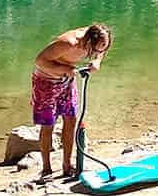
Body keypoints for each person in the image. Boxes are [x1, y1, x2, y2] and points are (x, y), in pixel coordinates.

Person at [32, 23, 112, 179]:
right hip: (46, 81)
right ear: (89, 41)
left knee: (71, 119)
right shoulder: (68, 43)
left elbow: (102, 49)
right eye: (97, 49)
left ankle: (67, 165)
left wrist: (97, 61)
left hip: (67, 80)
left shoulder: (98, 38)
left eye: (103, 48)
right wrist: (65, 69)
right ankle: (46, 168)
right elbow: (40, 61)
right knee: (48, 124)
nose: (99, 51)